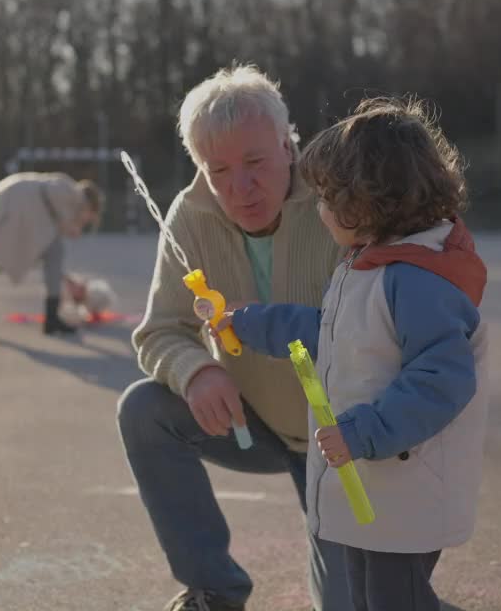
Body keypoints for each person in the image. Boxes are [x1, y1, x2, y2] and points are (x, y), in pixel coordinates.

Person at [220, 96, 491, 611]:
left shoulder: (416, 282)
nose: (318, 210)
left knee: (394, 601)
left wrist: (364, 431)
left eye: (326, 198)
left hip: (406, 486)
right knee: (372, 598)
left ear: (368, 202)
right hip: (373, 482)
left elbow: (443, 379)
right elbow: (324, 330)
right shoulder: (369, 266)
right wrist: (249, 322)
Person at [117, 65, 350, 611]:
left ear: (288, 145)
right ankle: (214, 590)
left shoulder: (339, 202)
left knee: (360, 604)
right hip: (254, 423)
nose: (238, 188)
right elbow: (160, 331)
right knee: (144, 410)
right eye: (216, 169)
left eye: (254, 163)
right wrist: (196, 370)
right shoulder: (190, 215)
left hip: (343, 441)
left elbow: (377, 331)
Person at [0, 171, 104, 335]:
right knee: (54, 251)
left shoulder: (64, 196)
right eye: (90, 216)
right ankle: (52, 318)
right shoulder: (73, 193)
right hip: (11, 209)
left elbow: (48, 225)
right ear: (89, 205)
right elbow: (56, 218)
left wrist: (66, 277)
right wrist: (73, 226)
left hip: (5, 203)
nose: (86, 221)